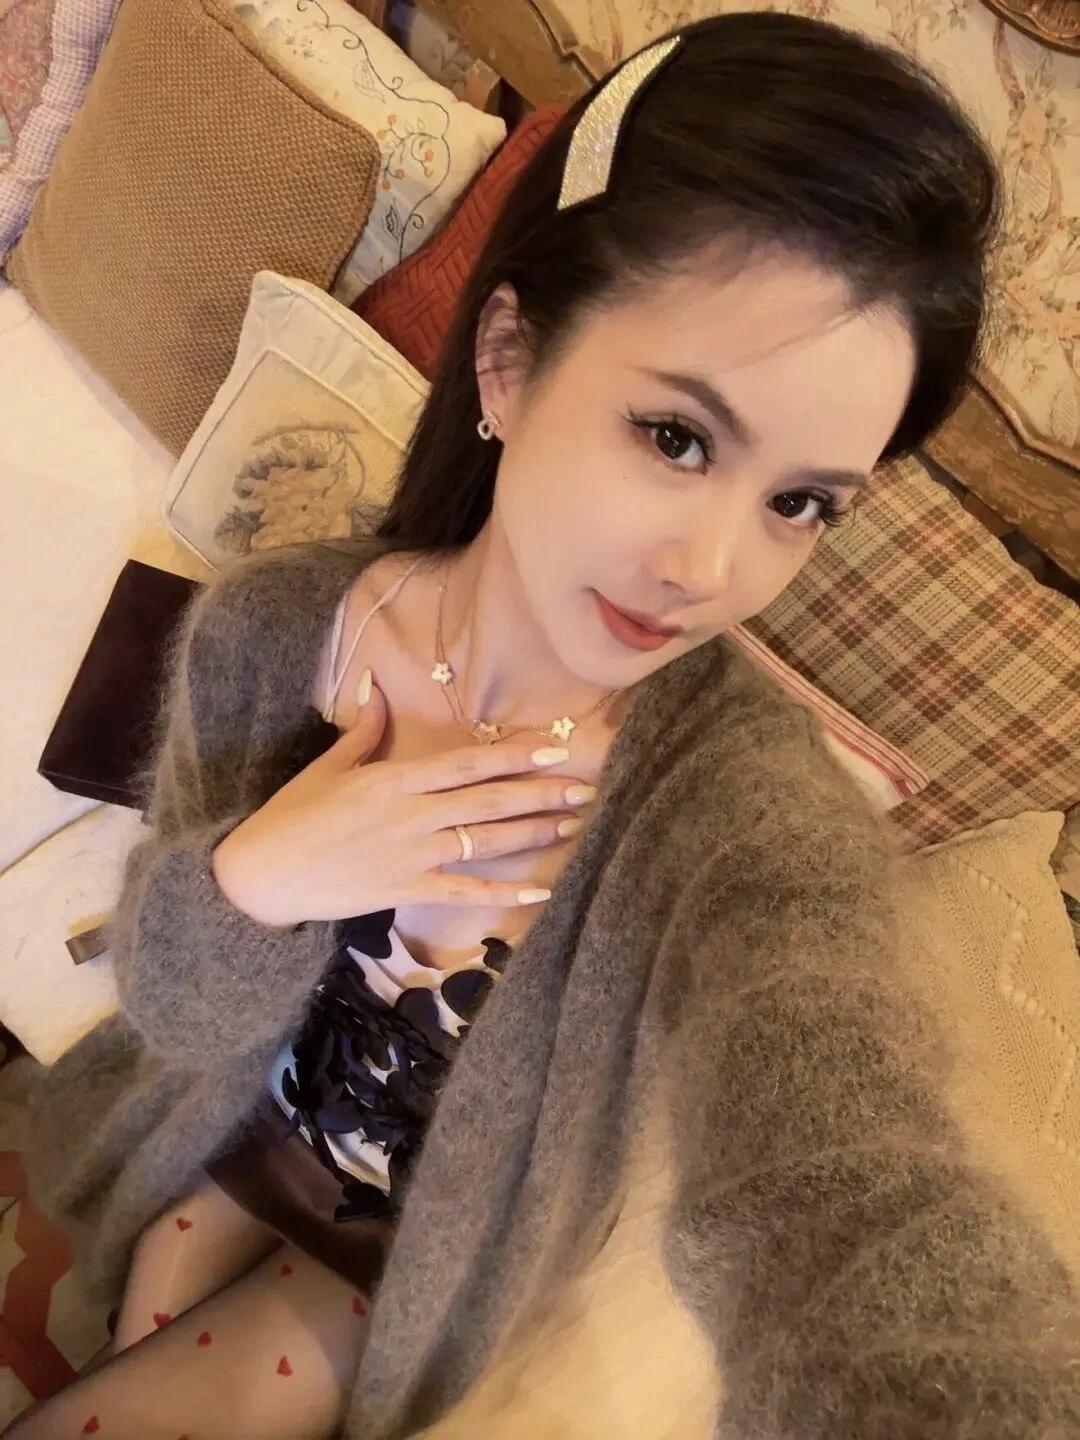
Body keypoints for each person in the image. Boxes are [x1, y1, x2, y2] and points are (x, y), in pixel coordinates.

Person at [5, 11, 1079, 1439]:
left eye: (800, 503)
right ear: (508, 359)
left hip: (410, 1264)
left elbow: (841, 1186)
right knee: (141, 1314)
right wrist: (266, 871)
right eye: (677, 437)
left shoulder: (736, 816)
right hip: (232, 1130)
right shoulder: (277, 632)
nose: (710, 570)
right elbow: (170, 1000)